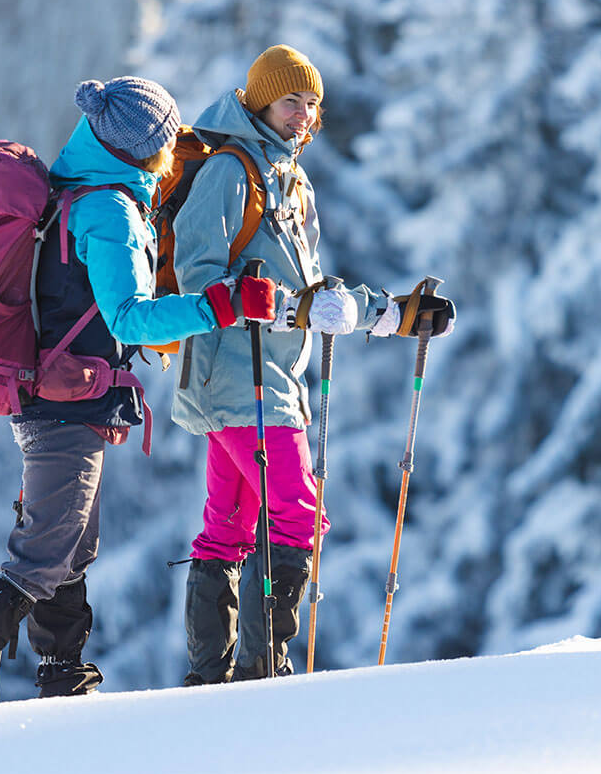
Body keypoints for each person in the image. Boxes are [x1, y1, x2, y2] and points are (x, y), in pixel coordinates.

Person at [0, 77, 278, 713]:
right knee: (42, 558)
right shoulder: (110, 211)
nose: (172, 157)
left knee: (71, 548)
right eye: (166, 146)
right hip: (66, 407)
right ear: (141, 152)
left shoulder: (74, 188)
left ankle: (63, 677)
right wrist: (224, 305)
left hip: (61, 397)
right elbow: (130, 317)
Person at [171, 45, 454, 684]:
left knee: (232, 523)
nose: (302, 113)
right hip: (235, 372)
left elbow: (313, 293)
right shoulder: (228, 172)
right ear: (259, 100)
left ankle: (209, 678)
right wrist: (278, 308)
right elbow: (199, 277)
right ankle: (259, 672)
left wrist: (395, 314)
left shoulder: (291, 180)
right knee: (297, 513)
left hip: (272, 377)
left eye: (310, 103)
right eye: (290, 99)